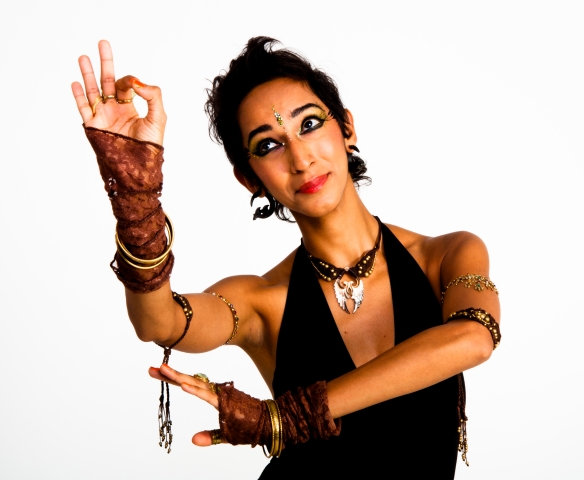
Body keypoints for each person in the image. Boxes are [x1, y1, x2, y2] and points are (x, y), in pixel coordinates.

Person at [72, 37, 501, 479]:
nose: (300, 158)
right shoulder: (262, 302)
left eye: (309, 124)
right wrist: (135, 198)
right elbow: (159, 323)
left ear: (347, 128)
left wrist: (281, 419)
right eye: (267, 145)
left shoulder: (446, 256)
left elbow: (474, 338)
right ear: (249, 179)